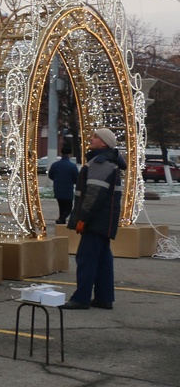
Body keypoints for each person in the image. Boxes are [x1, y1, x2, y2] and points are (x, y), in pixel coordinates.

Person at [63, 128, 127, 310]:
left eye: (95, 137)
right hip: (104, 221)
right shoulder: (107, 161)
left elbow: (94, 194)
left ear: (104, 143)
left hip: (96, 220)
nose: (91, 139)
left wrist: (83, 218)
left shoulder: (101, 162)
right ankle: (104, 298)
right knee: (102, 259)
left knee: (86, 259)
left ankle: (81, 298)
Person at [47, 144, 79, 225]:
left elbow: (50, 175)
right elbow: (77, 178)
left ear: (61, 153)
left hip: (57, 189)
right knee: (68, 208)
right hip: (68, 190)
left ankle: (61, 223)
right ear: (70, 155)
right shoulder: (72, 166)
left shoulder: (55, 165)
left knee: (61, 208)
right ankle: (61, 219)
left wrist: (57, 180)